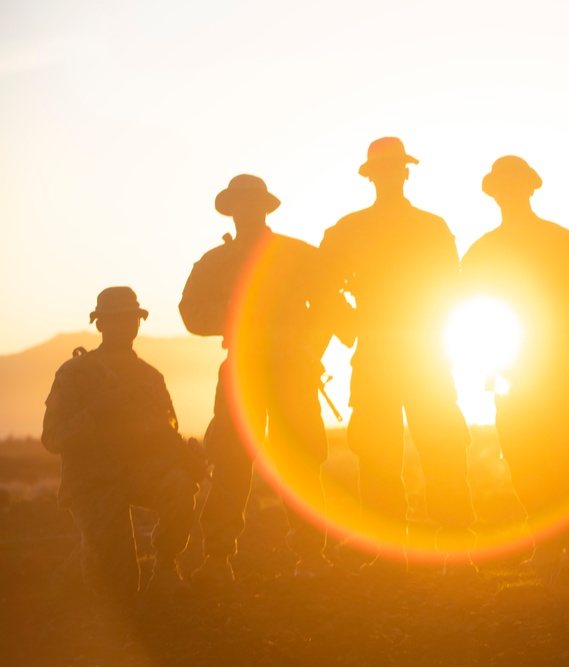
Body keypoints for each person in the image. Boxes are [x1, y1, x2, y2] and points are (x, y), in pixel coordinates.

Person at [179, 174, 354, 583]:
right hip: (243, 369)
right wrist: (236, 317)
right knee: (230, 461)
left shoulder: (296, 255)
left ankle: (311, 556)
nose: (246, 211)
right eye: (239, 204)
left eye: (252, 203)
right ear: (231, 210)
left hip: (293, 370)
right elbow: (190, 313)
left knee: (299, 463)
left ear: (265, 207)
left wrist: (309, 349)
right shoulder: (214, 262)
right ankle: (219, 557)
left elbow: (332, 309)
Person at [319, 137, 476, 575]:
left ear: (404, 173)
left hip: (418, 350)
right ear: (374, 177)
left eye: (395, 169)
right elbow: (320, 284)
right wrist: (350, 326)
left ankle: (457, 548)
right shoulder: (358, 229)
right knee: (378, 452)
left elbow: (452, 285)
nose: (390, 176)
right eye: (383, 170)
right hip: (389, 352)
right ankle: (391, 553)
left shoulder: (427, 227)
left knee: (441, 446)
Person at [461, 156, 569, 582]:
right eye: (502, 187)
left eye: (516, 185)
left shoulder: (560, 241)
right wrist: (489, 358)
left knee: (567, 457)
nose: (510, 192)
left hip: (557, 370)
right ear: (494, 193)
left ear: (530, 189)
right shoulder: (483, 249)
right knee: (524, 457)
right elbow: (466, 306)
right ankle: (545, 541)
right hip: (511, 373)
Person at [41, 287, 201, 600]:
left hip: (138, 472)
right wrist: (96, 412)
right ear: (100, 325)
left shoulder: (149, 377)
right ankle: (82, 566)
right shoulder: (74, 374)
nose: (126, 326)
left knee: (180, 484)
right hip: (92, 482)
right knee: (120, 587)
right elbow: (52, 438)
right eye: (116, 320)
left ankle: (166, 568)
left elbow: (167, 434)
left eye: (131, 319)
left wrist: (185, 457)